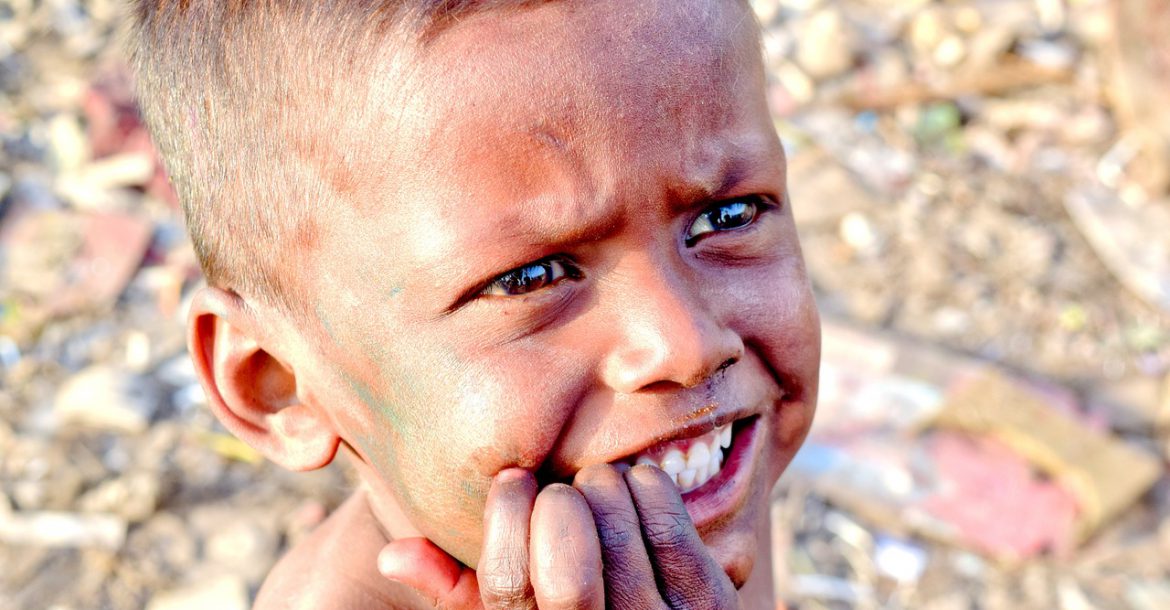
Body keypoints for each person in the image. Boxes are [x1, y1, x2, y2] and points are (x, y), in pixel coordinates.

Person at [129, 0, 821, 607]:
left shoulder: (684, 467)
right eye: (531, 278)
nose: (689, 346)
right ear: (275, 383)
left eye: (729, 216)